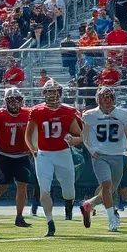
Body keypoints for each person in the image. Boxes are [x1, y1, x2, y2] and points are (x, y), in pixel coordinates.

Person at [25, 79, 83, 237]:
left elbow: (80, 136)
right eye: (49, 91)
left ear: (60, 93)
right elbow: (28, 135)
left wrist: (74, 140)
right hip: (44, 154)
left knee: (69, 191)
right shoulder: (37, 111)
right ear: (44, 93)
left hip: (63, 153)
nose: (52, 94)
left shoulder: (68, 111)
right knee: (44, 189)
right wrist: (32, 149)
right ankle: (50, 223)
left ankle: (68, 205)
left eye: (55, 91)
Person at [79, 86, 127, 232]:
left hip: (117, 155)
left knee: (110, 190)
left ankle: (89, 205)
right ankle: (112, 218)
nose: (107, 103)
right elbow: (84, 136)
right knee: (106, 185)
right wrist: (91, 150)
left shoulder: (124, 114)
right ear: (98, 100)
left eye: (109, 99)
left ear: (114, 99)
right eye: (104, 99)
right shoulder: (90, 115)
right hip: (100, 156)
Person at [0, 87, 33, 228]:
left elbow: (34, 131)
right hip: (4, 154)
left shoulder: (28, 113)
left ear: (21, 100)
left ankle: (19, 217)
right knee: (3, 186)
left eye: (16, 99)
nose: (14, 103)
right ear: (5, 101)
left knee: (22, 185)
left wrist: (33, 148)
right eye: (10, 100)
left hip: (22, 154)